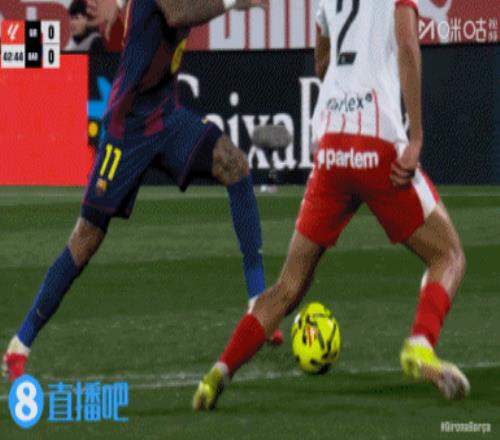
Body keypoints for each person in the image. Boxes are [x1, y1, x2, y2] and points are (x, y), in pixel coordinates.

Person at [193, 0, 470, 410]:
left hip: (332, 148)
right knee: (448, 255)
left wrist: (346, 91)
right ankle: (419, 345)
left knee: (288, 287)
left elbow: (322, 63)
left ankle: (218, 372)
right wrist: (415, 138)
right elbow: (408, 46)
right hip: (378, 144)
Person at [2, 0, 283, 382]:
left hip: (166, 117)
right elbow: (177, 13)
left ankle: (257, 304)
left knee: (235, 165)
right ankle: (19, 345)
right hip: (128, 128)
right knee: (85, 239)